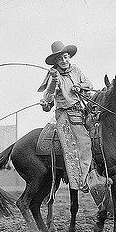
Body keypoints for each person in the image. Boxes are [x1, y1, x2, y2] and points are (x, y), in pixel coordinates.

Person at [37, 41, 95, 193]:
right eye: (60, 59)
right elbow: (48, 96)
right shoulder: (53, 75)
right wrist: (54, 81)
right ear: (55, 61)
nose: (63, 61)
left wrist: (79, 86)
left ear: (69, 57)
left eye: (65, 57)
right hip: (65, 115)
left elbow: (89, 83)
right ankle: (81, 181)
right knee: (83, 143)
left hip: (81, 111)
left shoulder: (76, 70)